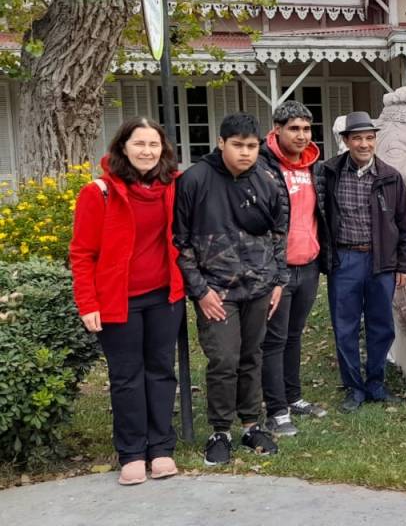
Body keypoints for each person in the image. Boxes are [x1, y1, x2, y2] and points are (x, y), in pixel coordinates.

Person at [70, 118, 184, 485]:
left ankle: (162, 447)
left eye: (154, 144)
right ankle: (132, 452)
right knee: (126, 377)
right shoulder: (99, 192)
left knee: (162, 372)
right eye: (139, 144)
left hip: (164, 297)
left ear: (163, 149)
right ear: (122, 147)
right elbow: (82, 253)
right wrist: (87, 303)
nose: (147, 151)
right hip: (118, 300)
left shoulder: (172, 187)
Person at [173, 113, 289, 466]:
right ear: (221, 142)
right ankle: (219, 430)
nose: (245, 153)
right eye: (237, 145)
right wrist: (200, 290)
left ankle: (252, 424)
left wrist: (278, 281)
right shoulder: (194, 180)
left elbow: (280, 234)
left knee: (252, 356)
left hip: (259, 287)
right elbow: (181, 242)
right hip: (216, 292)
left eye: (251, 146)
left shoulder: (269, 180)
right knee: (224, 359)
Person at [323, 111, 406, 412]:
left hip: (381, 262)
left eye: (370, 138)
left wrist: (404, 264)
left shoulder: (390, 177)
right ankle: (354, 388)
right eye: (358, 138)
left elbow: (404, 224)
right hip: (345, 259)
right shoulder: (329, 173)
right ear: (346, 141)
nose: (364, 144)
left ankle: (376, 383)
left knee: (381, 325)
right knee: (345, 326)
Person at [259, 101, 330, 436]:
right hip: (276, 270)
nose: (302, 135)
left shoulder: (314, 166)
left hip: (308, 265)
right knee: (273, 340)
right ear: (277, 129)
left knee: (293, 335)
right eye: (294, 128)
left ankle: (293, 396)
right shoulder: (261, 167)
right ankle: (276, 409)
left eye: (306, 128)